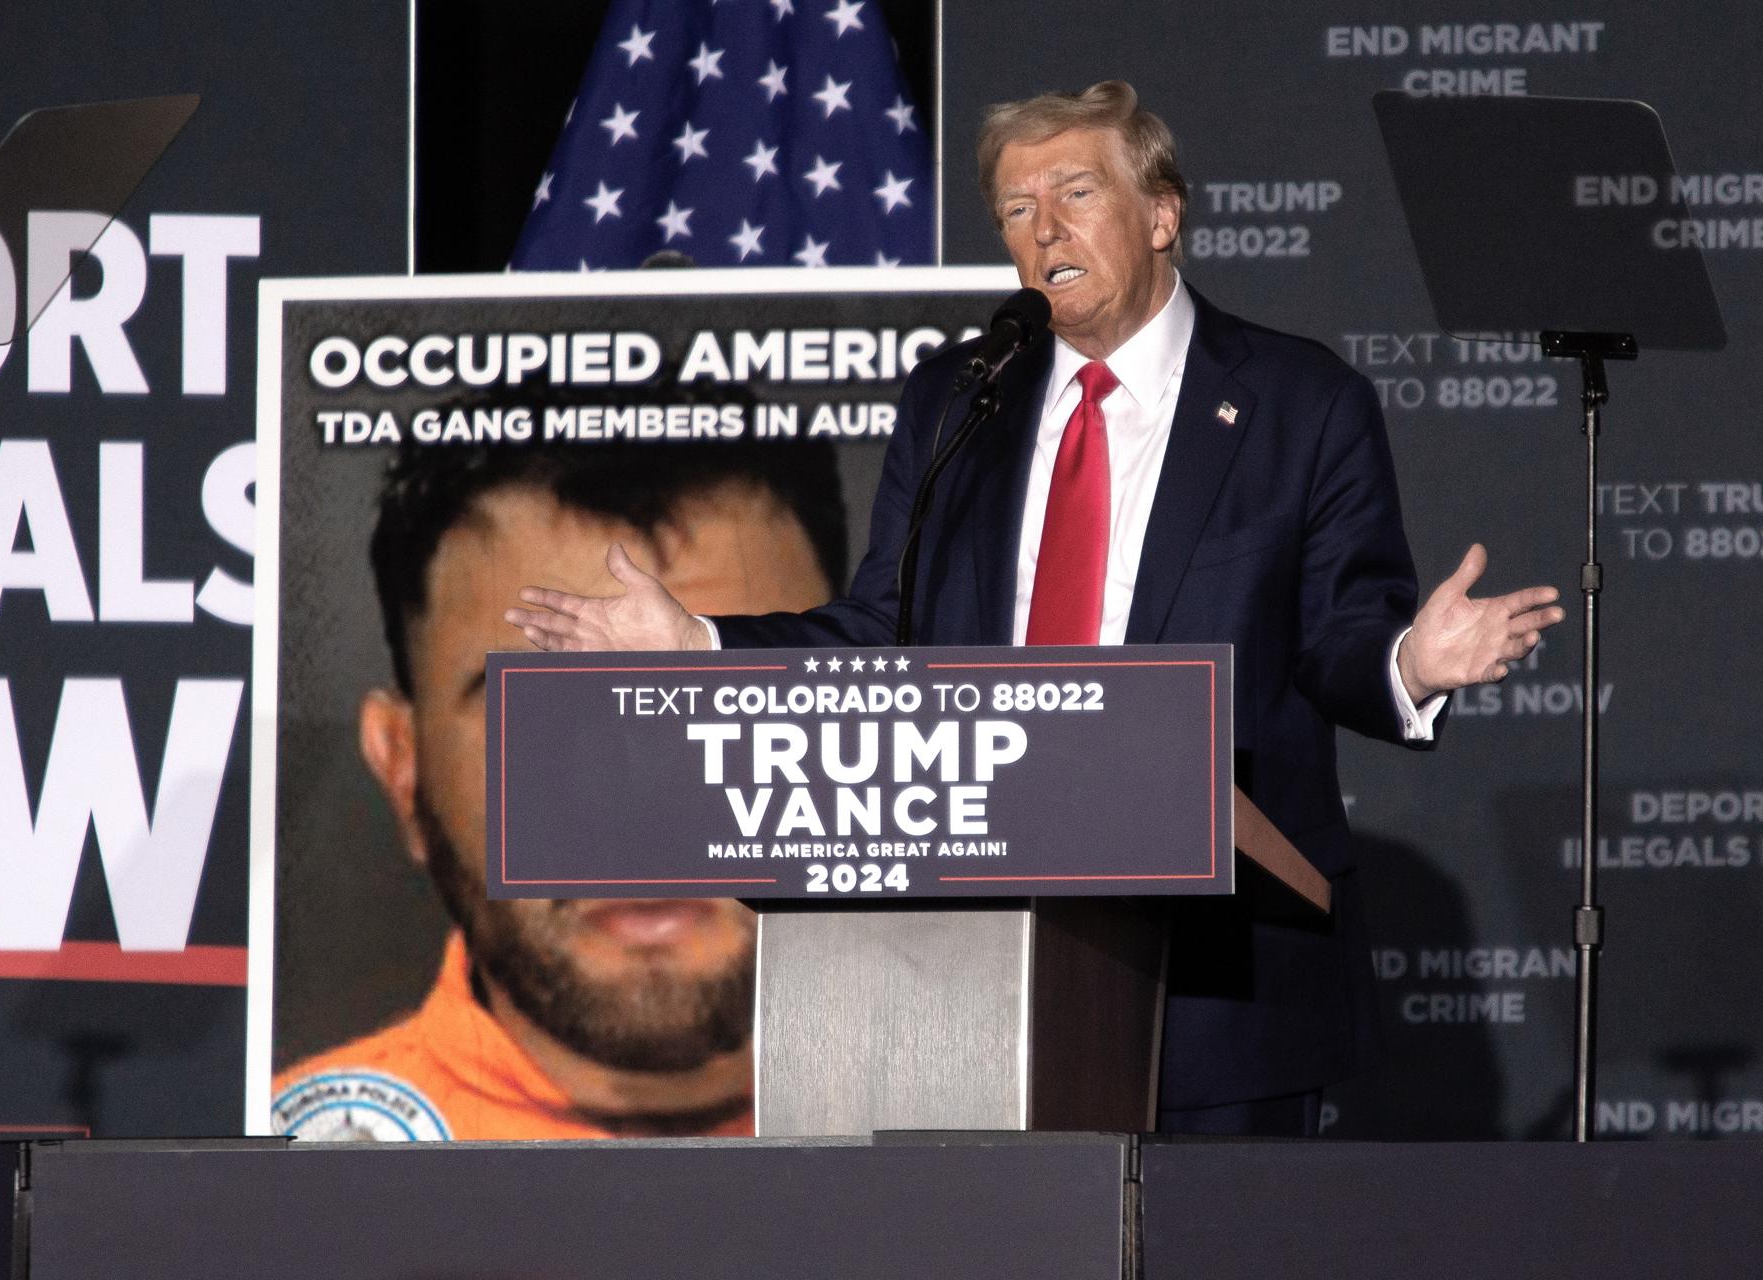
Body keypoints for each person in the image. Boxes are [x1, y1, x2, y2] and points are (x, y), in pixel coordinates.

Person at [504, 80, 1565, 1137]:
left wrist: (1412, 664)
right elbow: (888, 626)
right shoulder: (961, 397)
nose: (1044, 228)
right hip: (970, 968)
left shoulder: (1299, 401)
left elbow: (1341, 637)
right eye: (1016, 209)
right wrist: (695, 639)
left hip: (1221, 971)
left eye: (1075, 192)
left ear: (1161, 213)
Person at [273, 437, 846, 1140]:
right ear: (403, 765)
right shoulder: (259, 1193)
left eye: (725, 697)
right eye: (546, 710)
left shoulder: (1000, 1134)